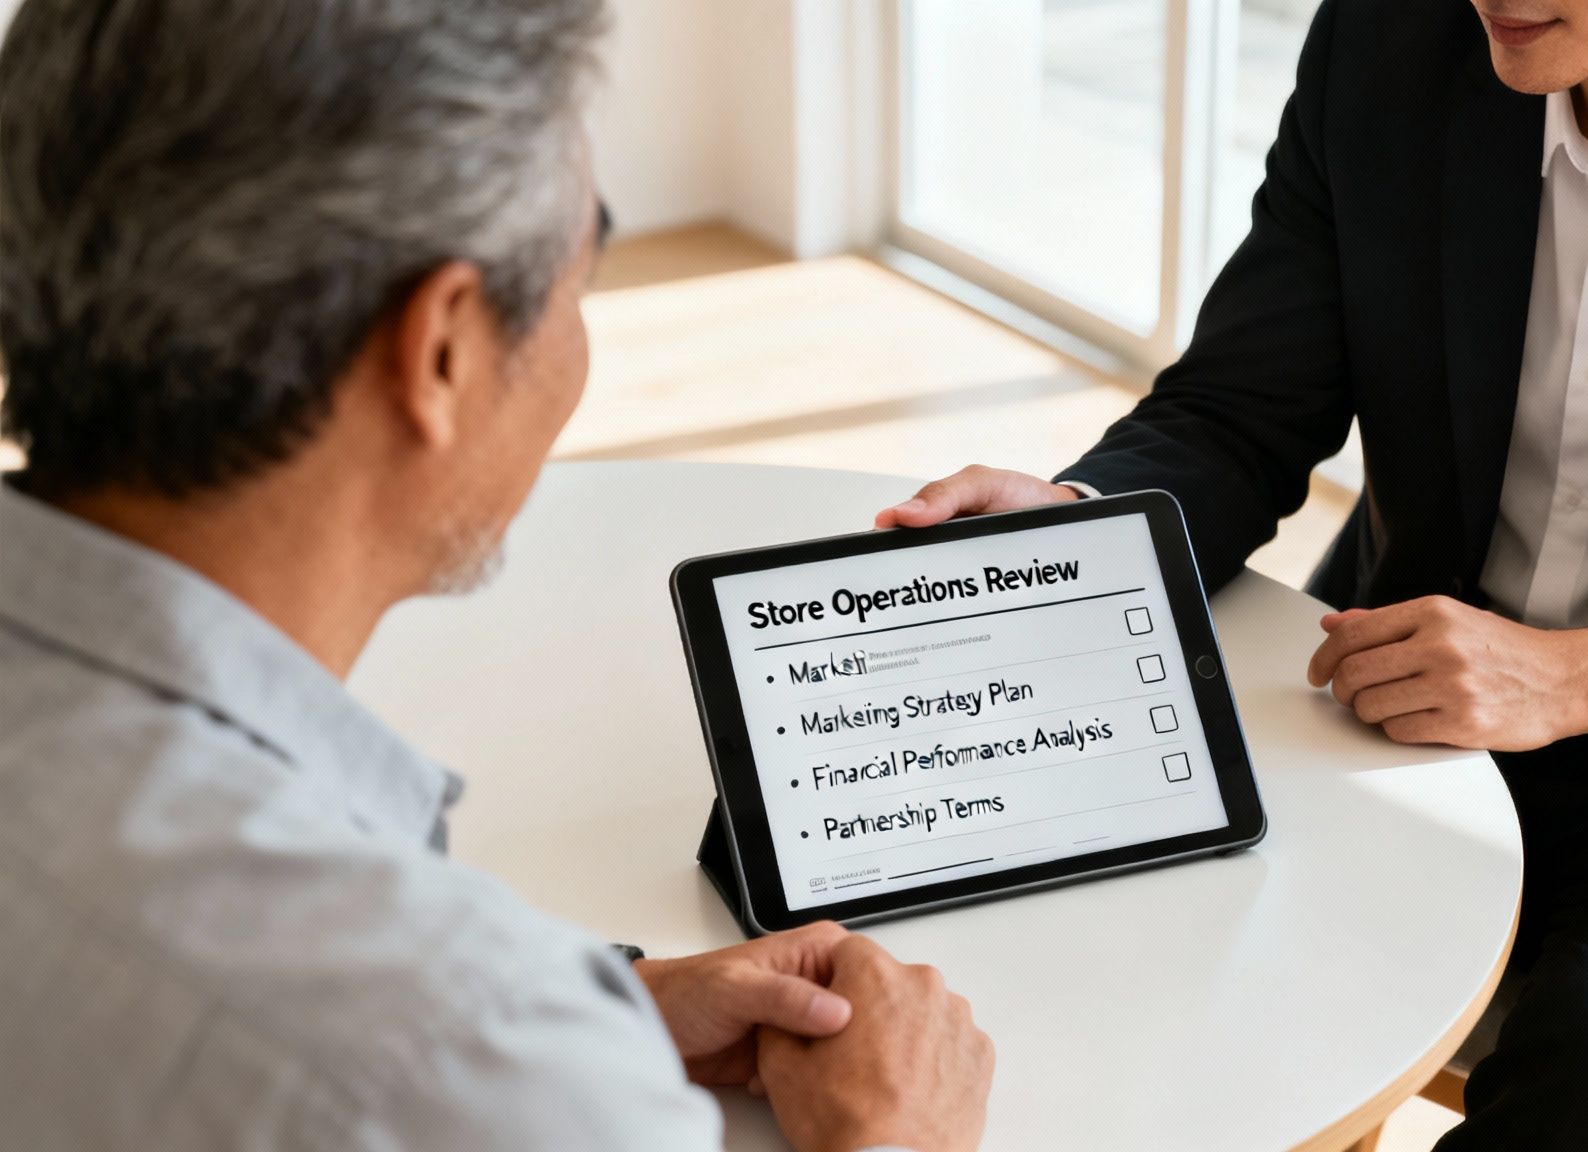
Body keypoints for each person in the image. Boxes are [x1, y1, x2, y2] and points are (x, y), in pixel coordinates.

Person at [880, 0, 1588, 1147]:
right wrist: (1080, 523)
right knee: (1061, 915)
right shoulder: (1387, 39)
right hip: (1398, 698)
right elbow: (1242, 411)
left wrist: (1581, 677)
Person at [0, 2, 993, 1150]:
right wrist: (899, 1134)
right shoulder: (454, 1061)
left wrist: (601, 999)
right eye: (581, 275)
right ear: (442, 351)